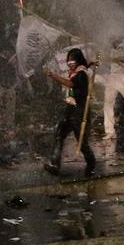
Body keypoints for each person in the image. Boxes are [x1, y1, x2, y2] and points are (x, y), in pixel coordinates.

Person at [43, 48, 96, 177]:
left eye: (72, 61)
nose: (70, 63)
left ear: (78, 61)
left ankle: (91, 163)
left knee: (82, 142)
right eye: (68, 61)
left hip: (79, 112)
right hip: (70, 110)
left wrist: (53, 75)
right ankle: (55, 164)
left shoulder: (81, 74)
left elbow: (71, 84)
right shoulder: (77, 72)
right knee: (59, 135)